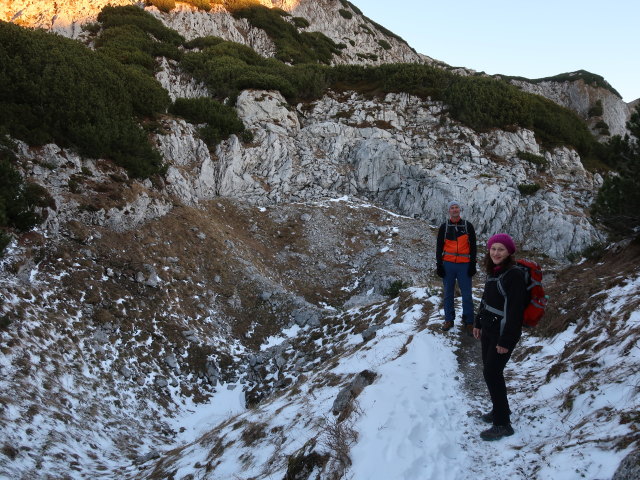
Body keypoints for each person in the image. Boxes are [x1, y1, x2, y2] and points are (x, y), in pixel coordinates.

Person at [473, 233, 526, 441]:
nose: (496, 253)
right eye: (493, 248)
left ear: (509, 252)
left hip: (502, 333)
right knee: (491, 372)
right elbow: (486, 299)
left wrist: (506, 340)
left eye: (501, 249)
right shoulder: (494, 271)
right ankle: (499, 411)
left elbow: (515, 312)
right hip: (488, 329)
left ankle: (503, 424)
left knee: (492, 373)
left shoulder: (514, 275)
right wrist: (478, 322)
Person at [436, 200, 477, 333]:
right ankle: (449, 320)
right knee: (448, 294)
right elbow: (439, 247)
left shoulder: (467, 226)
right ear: (449, 211)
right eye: (452, 208)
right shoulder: (444, 226)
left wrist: (472, 264)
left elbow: (474, 247)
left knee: (467, 295)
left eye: (456, 207)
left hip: (464, 265)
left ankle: (469, 322)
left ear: (460, 210)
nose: (454, 209)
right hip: (448, 264)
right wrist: (439, 265)